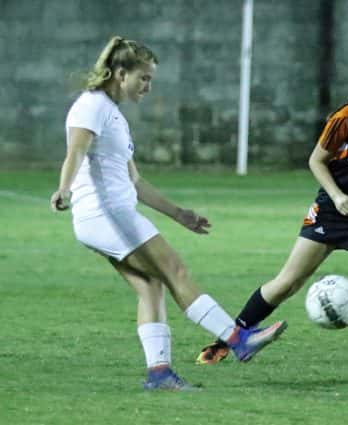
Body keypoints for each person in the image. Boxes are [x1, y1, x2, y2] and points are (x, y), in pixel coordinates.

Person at [50, 36, 285, 391]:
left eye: (150, 79)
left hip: (106, 215)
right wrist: (64, 188)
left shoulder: (111, 112)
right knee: (175, 270)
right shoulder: (91, 105)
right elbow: (75, 152)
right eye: (143, 78)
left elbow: (135, 181)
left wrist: (180, 215)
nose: (148, 86)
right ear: (119, 73)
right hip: (105, 214)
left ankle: (159, 375)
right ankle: (238, 340)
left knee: (151, 286)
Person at [196, 50, 348, 366]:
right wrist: (337, 196)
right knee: (288, 282)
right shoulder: (345, 119)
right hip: (335, 208)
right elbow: (316, 161)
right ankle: (225, 341)